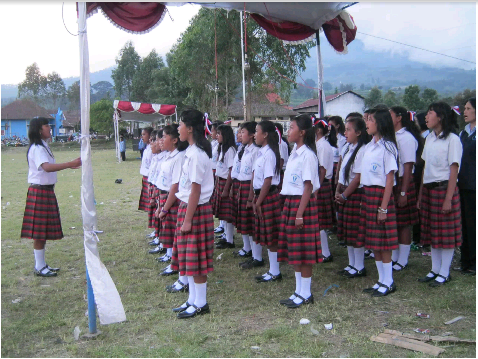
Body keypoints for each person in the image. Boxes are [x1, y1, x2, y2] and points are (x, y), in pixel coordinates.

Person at [21, 117, 82, 277]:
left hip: (45, 191)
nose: (50, 127)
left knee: (43, 230)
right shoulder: (37, 147)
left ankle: (41, 264)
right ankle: (39, 267)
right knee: (39, 231)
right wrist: (69, 164)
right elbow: (46, 167)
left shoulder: (43, 146)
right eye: (47, 125)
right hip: (40, 192)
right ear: (39, 129)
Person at [170, 109, 214, 319]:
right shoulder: (191, 152)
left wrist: (187, 220)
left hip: (195, 210)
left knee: (196, 259)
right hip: (188, 207)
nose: (178, 129)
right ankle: (192, 300)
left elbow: (195, 191)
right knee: (189, 258)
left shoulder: (197, 155)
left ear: (189, 128)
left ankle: (201, 303)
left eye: (180, 125)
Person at [278, 114, 321, 308]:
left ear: (302, 132)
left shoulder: (308, 155)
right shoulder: (295, 151)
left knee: (304, 253)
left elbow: (308, 187)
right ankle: (298, 291)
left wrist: (299, 214)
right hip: (291, 202)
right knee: (295, 251)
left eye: (292, 127)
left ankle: (306, 293)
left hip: (301, 205)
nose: (288, 131)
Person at [417, 102, 463, 287]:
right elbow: (425, 168)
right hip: (429, 189)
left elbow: (454, 170)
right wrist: (420, 194)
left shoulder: (453, 139)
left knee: (446, 235)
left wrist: (448, 198)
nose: (426, 117)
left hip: (444, 189)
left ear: (441, 116)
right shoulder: (429, 138)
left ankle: (444, 273)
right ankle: (434, 270)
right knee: (433, 232)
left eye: (430, 113)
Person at [359, 109, 399, 297]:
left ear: (380, 123)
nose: (367, 123)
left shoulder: (388, 147)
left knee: (384, 241)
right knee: (374, 242)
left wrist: (383, 207)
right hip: (368, 194)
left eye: (371, 120)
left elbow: (389, 179)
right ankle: (380, 280)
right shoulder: (368, 147)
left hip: (381, 195)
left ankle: (389, 281)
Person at [247, 120, 282, 281]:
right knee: (266, 235)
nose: (255, 134)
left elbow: (268, 181)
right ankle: (272, 270)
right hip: (261, 195)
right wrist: (255, 198)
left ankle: (275, 272)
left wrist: (259, 201)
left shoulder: (269, 154)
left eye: (257, 131)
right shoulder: (262, 152)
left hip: (267, 196)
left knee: (271, 235)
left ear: (265, 134)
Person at [154, 124, 189, 289]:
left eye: (164, 137)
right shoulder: (169, 156)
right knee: (168, 232)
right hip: (165, 195)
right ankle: (172, 261)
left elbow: (175, 186)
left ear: (174, 140)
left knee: (176, 235)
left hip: (173, 199)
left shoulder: (179, 157)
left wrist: (165, 208)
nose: (161, 140)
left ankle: (178, 268)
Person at [335, 116, 370, 278]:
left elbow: (358, 178)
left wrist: (344, 195)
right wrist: (338, 190)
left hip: (355, 194)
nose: (345, 132)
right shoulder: (348, 147)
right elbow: (342, 172)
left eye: (349, 129)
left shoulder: (362, 150)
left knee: (356, 232)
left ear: (359, 132)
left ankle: (359, 266)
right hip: (345, 192)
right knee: (348, 232)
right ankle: (351, 264)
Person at [389, 106, 423, 271]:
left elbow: (408, 166)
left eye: (391, 115)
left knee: (404, 223)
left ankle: (403, 259)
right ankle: (395, 256)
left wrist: (403, 191)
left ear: (399, 118)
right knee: (395, 221)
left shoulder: (407, 137)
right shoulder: (392, 136)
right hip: (394, 180)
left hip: (404, 180)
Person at [455, 98, 476, 275]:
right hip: (461, 184)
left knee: (473, 224)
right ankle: (465, 261)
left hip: (474, 186)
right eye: (465, 108)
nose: (465, 112)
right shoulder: (463, 133)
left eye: (469, 108)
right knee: (464, 225)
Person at [235, 122, 260, 262]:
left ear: (251, 135)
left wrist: (251, 197)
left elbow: (253, 175)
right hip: (242, 185)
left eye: (242, 132)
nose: (240, 135)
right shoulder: (245, 149)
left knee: (251, 222)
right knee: (245, 221)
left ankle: (257, 256)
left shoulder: (255, 151)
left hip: (250, 188)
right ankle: (248, 249)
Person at [314, 118, 337, 262]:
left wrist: (317, 188)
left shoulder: (322, 146)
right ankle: (321, 250)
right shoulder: (320, 144)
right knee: (318, 220)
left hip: (321, 184)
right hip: (320, 184)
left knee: (320, 220)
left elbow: (322, 169)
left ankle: (326, 253)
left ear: (318, 131)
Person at [212, 125, 237, 249]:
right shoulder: (222, 148)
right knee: (223, 213)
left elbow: (231, 171)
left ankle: (230, 240)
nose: (217, 136)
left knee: (228, 214)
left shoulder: (230, 150)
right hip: (219, 181)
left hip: (225, 182)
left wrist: (227, 188)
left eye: (219, 134)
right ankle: (226, 236)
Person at [210, 121, 225, 234]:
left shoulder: (225, 147)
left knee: (223, 203)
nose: (211, 133)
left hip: (219, 173)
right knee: (218, 202)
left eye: (213, 130)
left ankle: (223, 226)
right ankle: (221, 224)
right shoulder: (214, 144)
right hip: (215, 172)